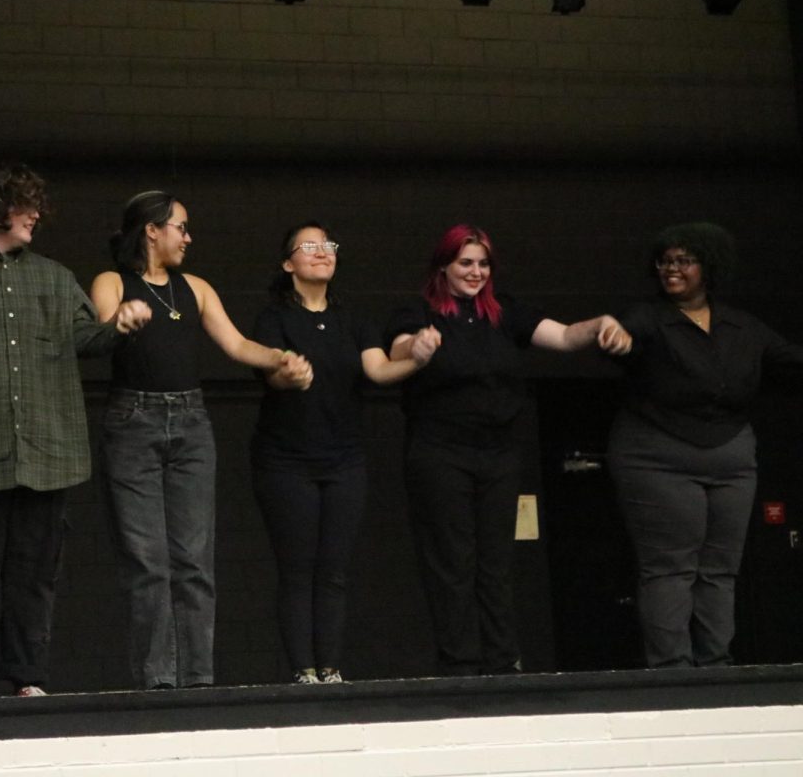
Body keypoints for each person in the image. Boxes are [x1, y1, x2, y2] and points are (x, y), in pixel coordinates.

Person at [0, 162, 150, 699]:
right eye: (24, 205)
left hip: (44, 453)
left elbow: (88, 338)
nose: (36, 215)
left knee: (34, 578)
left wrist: (120, 327)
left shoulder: (54, 277)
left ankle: (27, 679)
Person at [387, 223, 631, 676]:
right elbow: (400, 346)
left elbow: (561, 336)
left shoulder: (504, 312)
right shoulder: (418, 311)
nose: (475, 272)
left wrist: (600, 325)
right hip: (441, 450)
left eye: (483, 264)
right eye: (466, 263)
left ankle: (503, 660)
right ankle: (460, 661)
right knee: (452, 559)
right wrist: (417, 349)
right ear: (444, 266)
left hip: (497, 451)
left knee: (496, 559)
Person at [90, 190, 311, 690]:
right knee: (148, 563)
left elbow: (235, 345)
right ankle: (157, 682)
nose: (188, 237)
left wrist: (280, 357)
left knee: (193, 560)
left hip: (190, 421)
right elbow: (102, 329)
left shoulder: (197, 287)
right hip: (134, 419)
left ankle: (198, 681)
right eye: (181, 227)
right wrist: (122, 320)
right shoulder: (112, 280)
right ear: (152, 229)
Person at [251, 222, 440, 685]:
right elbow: (271, 372)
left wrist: (418, 356)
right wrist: (287, 373)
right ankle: (303, 671)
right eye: (310, 246)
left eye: (328, 245)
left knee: (333, 570)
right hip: (286, 460)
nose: (322, 252)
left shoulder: (352, 319)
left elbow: (378, 371)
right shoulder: (274, 317)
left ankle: (331, 671)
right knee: (298, 568)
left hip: (343, 460)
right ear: (288, 262)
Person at [608, 222, 803, 669]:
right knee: (671, 566)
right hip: (657, 456)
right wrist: (613, 337)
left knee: (720, 569)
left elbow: (789, 359)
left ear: (708, 268)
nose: (671, 269)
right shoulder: (647, 318)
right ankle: (672, 671)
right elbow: (618, 338)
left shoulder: (742, 326)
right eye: (665, 261)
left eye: (683, 261)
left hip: (731, 456)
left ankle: (716, 666)